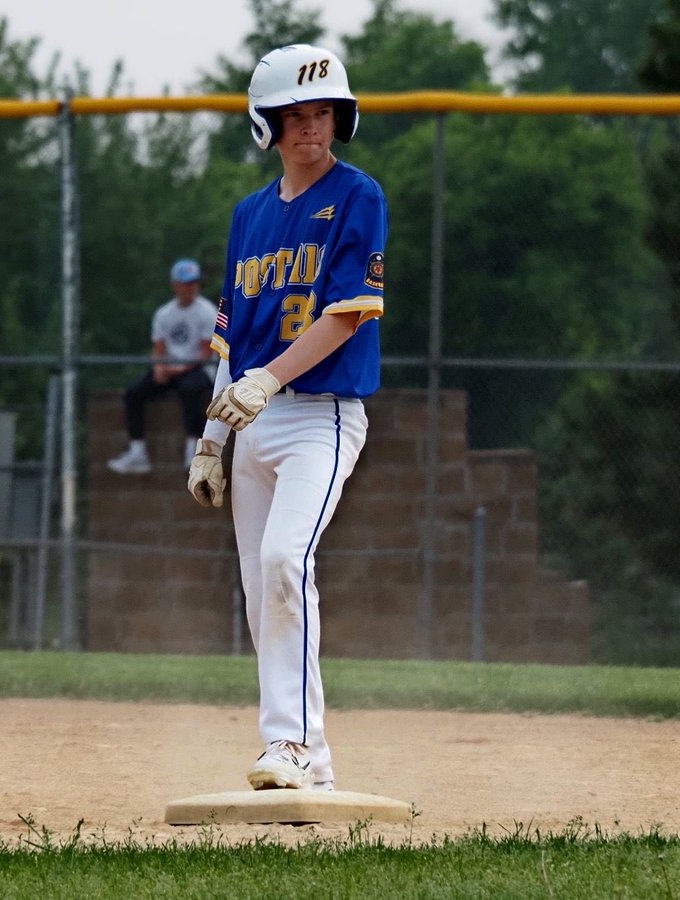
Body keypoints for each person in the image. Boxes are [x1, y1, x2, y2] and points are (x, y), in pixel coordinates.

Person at [186, 44, 388, 793]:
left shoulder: (357, 197)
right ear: (266, 125)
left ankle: (296, 747)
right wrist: (211, 442)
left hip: (321, 418)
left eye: (324, 111)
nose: (312, 126)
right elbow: (231, 343)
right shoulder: (249, 216)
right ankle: (300, 753)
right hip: (250, 420)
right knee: (258, 584)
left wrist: (267, 380)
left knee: (284, 562)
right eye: (296, 114)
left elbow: (347, 316)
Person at [108, 258, 218, 474]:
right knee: (134, 392)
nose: (191, 288)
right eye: (186, 283)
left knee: (191, 390)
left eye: (194, 283)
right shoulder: (164, 314)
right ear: (175, 285)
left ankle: (192, 450)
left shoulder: (207, 312)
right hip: (170, 368)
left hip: (199, 368)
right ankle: (137, 451)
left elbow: (205, 353)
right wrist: (159, 368)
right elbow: (159, 348)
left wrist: (178, 369)